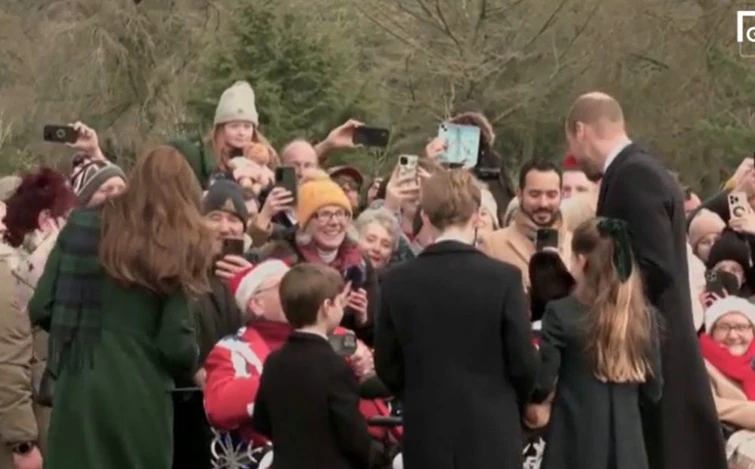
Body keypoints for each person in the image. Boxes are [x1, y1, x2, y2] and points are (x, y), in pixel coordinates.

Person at [565, 91, 727, 469]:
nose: (574, 155)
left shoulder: (633, 175)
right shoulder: (640, 169)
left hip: (653, 353)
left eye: (571, 143)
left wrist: (592, 288)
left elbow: (653, 265)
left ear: (580, 130)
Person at [27, 145, 213, 469]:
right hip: (140, 393)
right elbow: (175, 346)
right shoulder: (174, 241)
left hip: (76, 389)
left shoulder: (83, 224)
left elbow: (42, 306)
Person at [374, 169, 538, 469]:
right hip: (492, 430)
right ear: (476, 215)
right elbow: (524, 363)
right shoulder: (503, 279)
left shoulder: (397, 281)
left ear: (425, 215)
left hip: (427, 429)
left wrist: (420, 390)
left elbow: (387, 363)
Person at [528, 217, 662, 469]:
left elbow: (543, 383)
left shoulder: (561, 312)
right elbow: (653, 391)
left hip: (574, 443)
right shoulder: (644, 317)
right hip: (629, 447)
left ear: (581, 260)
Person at [251, 263, 390, 469]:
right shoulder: (334, 366)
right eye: (339, 302)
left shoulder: (275, 361)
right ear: (327, 307)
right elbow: (351, 434)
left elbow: (261, 420)